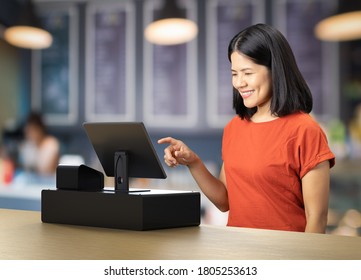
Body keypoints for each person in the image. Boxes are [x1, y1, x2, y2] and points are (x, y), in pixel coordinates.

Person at [158, 23, 335, 233]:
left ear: (275, 70)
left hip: (285, 257)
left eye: (247, 73)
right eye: (234, 74)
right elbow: (225, 201)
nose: (239, 83)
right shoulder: (235, 128)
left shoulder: (305, 130)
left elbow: (317, 218)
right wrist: (193, 162)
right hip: (239, 253)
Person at [19, 112, 60, 176]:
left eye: (32, 129)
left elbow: (51, 170)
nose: (30, 133)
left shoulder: (52, 144)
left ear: (40, 129)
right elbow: (25, 168)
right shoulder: (28, 146)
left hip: (49, 182)